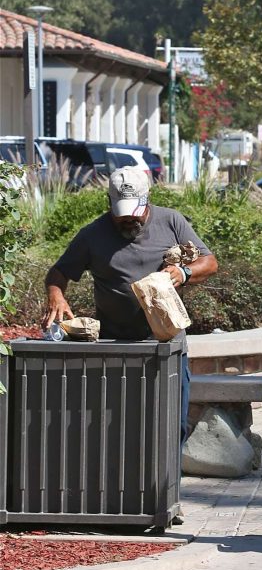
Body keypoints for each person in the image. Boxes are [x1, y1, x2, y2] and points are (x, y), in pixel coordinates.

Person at [43, 165, 218, 460]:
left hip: (167, 343)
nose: (128, 219)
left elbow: (210, 262)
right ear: (108, 203)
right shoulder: (92, 235)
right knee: (118, 425)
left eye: (134, 212)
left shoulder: (171, 221)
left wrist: (184, 272)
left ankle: (166, 491)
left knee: (173, 424)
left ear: (147, 200)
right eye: (121, 213)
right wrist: (56, 296)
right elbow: (58, 272)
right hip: (115, 346)